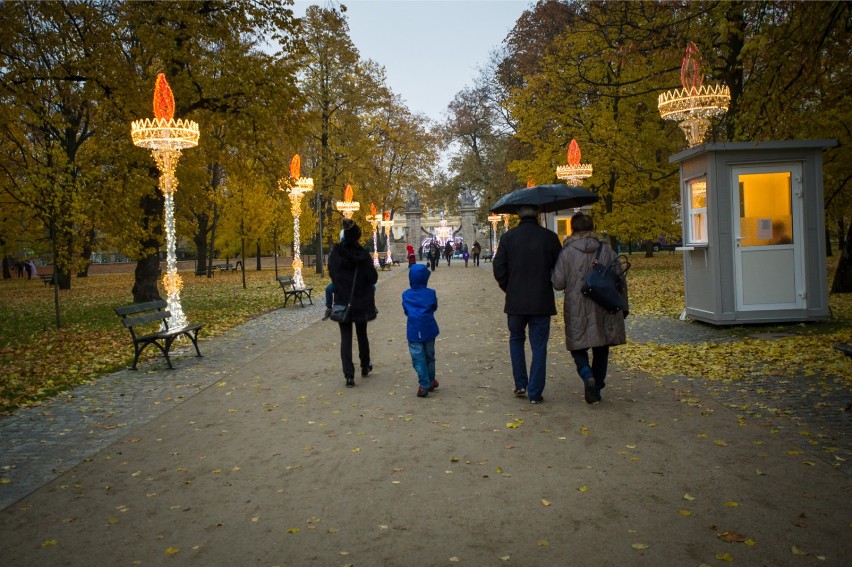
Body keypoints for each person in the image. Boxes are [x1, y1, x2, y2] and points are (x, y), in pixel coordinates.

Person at [551, 213, 628, 404]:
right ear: (592, 227)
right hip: (604, 304)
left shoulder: (567, 252)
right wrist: (623, 307)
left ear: (573, 229)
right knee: (601, 346)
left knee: (577, 345)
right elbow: (620, 279)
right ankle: (598, 387)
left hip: (578, 306)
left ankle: (587, 375)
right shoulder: (606, 249)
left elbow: (558, 283)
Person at [493, 205, 562, 404]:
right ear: (538, 214)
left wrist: (509, 287)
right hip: (541, 299)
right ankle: (535, 391)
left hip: (516, 300)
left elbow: (499, 268)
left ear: (518, 216)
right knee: (539, 345)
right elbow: (559, 268)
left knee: (516, 339)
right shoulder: (549, 237)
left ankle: (520, 383)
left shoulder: (508, 238)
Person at [328, 219, 379, 388]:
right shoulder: (362, 255)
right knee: (362, 334)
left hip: (343, 300)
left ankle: (349, 375)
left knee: (345, 338)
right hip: (361, 300)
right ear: (357, 237)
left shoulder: (336, 254)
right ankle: (365, 365)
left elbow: (332, 275)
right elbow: (373, 278)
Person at [402, 263, 440, 398]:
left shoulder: (406, 295)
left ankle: (423, 384)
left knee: (418, 358)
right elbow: (434, 307)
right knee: (430, 356)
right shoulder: (431, 293)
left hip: (413, 330)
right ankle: (430, 380)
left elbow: (406, 310)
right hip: (429, 328)